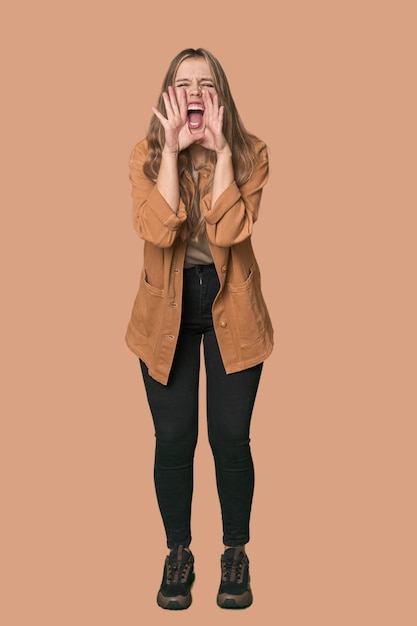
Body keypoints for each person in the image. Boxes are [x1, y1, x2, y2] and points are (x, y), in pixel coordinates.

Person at [126, 47, 274, 610]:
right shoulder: (143, 155)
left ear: (220, 95)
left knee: (230, 439)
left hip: (231, 306)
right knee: (174, 441)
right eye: (182, 82)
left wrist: (220, 155)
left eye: (205, 83)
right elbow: (158, 231)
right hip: (163, 313)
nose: (193, 91)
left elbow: (231, 229)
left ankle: (235, 553)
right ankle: (178, 553)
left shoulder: (253, 152)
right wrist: (170, 154)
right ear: (168, 95)